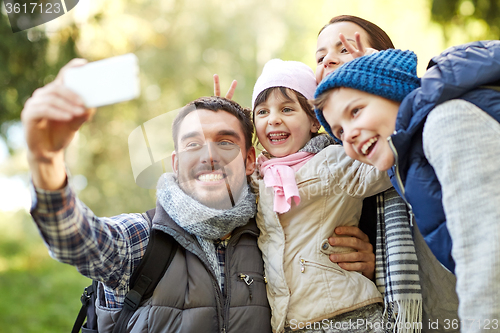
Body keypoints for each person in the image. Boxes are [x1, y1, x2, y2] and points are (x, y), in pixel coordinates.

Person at [22, 60, 272, 332]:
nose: (209, 156)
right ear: (175, 164)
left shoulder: (273, 239)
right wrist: (45, 159)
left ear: (250, 160)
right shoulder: (143, 239)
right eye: (193, 144)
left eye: (225, 142)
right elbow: (73, 238)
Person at [313, 41, 500, 332]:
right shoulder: (406, 165)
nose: (347, 135)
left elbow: (487, 256)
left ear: (392, 92)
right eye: (338, 131)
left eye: (356, 111)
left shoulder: (447, 123)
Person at [250, 58, 393, 333]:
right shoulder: (256, 177)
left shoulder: (333, 161)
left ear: (315, 120)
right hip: (290, 323)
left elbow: (383, 165)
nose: (274, 119)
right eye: (263, 112)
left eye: (287, 109)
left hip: (347, 315)